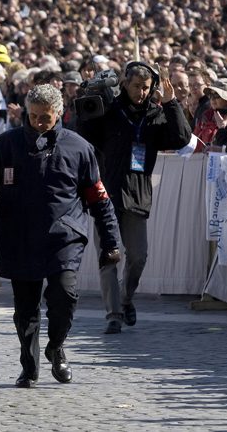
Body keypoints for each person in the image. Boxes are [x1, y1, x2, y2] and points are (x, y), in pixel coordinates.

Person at [0, 84, 120, 388]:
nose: (38, 123)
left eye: (45, 118)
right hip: (18, 237)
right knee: (25, 309)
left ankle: (56, 346)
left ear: (59, 113)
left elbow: (99, 200)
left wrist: (110, 241)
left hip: (63, 237)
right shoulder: (4, 146)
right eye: (33, 117)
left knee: (65, 295)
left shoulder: (78, 148)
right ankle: (28, 365)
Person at [79, 62, 191, 333]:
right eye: (136, 86)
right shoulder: (108, 109)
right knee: (109, 255)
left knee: (138, 256)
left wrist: (171, 102)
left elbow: (181, 138)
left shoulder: (155, 114)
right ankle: (113, 314)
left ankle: (126, 298)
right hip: (105, 193)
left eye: (146, 87)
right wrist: (86, 95)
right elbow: (81, 132)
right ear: (125, 84)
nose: (141, 92)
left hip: (137, 194)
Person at [194, 78, 227, 152]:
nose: (212, 99)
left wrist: (224, 127)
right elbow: (195, 142)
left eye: (217, 96)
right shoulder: (206, 116)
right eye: (211, 95)